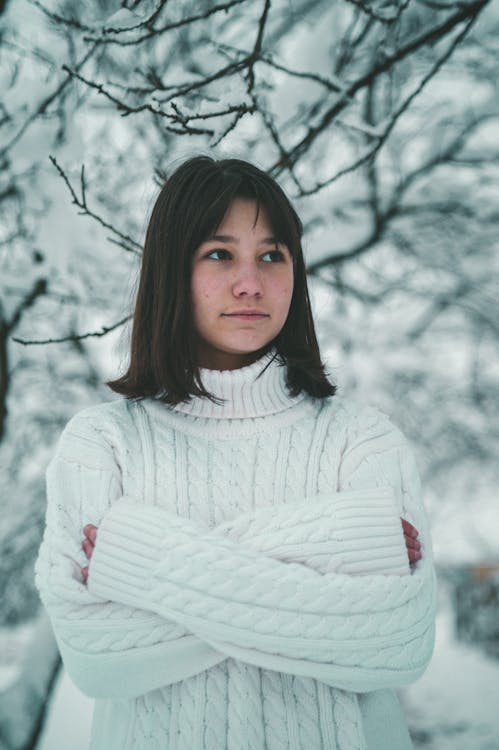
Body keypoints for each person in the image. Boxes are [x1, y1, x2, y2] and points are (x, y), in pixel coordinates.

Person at [35, 156, 436, 750]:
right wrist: (342, 540)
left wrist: (144, 560)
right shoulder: (102, 444)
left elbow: (397, 644)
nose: (251, 282)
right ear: (173, 271)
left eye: (271, 255)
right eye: (220, 254)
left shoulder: (362, 439)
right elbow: (97, 657)